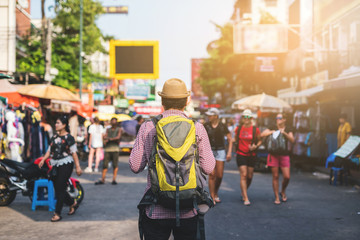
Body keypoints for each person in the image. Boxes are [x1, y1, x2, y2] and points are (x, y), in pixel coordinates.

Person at [129, 78, 215, 240]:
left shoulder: (149, 127)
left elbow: (135, 166)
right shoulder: (197, 127)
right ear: (186, 101)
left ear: (163, 101)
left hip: (156, 207)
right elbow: (208, 167)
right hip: (188, 209)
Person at [38, 115, 82, 222]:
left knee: (60, 187)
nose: (56, 125)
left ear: (64, 125)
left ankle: (57, 213)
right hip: (55, 164)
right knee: (58, 188)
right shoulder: (54, 137)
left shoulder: (69, 138)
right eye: (56, 123)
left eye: (58, 123)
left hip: (66, 164)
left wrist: (78, 167)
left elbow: (74, 153)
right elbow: (49, 150)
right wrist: (43, 160)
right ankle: (72, 203)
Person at [261, 113, 294, 205]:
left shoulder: (288, 129)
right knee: (275, 176)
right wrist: (271, 132)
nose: (278, 120)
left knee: (287, 177)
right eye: (277, 118)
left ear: (284, 119)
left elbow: (292, 140)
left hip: (284, 155)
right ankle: (276, 196)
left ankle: (282, 191)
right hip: (273, 155)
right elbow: (262, 134)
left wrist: (284, 133)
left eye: (280, 118)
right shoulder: (272, 127)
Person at [204, 108, 232, 204]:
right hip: (210, 150)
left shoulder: (222, 126)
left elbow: (230, 139)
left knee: (219, 175)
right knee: (212, 174)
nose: (208, 117)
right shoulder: (206, 125)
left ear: (216, 116)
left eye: (210, 115)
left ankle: (215, 192)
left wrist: (229, 152)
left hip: (220, 150)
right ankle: (212, 196)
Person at [234, 109, 262, 206]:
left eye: (248, 117)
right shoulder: (239, 128)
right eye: (244, 117)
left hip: (251, 155)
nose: (246, 119)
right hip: (241, 154)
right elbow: (235, 139)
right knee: (244, 175)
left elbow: (260, 140)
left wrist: (255, 146)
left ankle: (244, 191)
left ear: (251, 118)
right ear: (242, 118)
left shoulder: (255, 129)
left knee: (250, 176)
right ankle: (245, 197)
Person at [95, 117, 121, 185]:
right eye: (112, 122)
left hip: (115, 149)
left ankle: (114, 179)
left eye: (114, 122)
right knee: (105, 165)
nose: (113, 123)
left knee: (115, 165)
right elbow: (105, 137)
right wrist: (106, 139)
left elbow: (118, 137)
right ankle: (103, 179)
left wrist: (109, 139)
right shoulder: (108, 129)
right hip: (108, 149)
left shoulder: (119, 129)